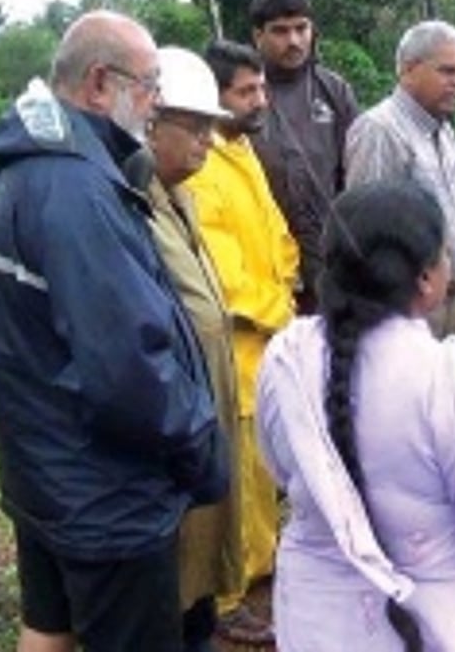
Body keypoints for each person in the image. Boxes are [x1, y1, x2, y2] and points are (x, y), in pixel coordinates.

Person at [0, 11, 228, 652]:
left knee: (49, 631)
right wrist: (202, 448)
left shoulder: (11, 170)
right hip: (107, 499)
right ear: (99, 84)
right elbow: (129, 368)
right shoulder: (77, 188)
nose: (154, 104)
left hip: (45, 475)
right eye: (149, 87)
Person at [256, 179, 455, 651]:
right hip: (445, 623)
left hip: (316, 618)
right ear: (428, 278)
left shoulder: (287, 357)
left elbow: (282, 466)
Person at [183, 40, 299, 646]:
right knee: (235, 482)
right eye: (245, 91)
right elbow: (220, 274)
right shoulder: (200, 163)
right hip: (237, 350)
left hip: (272, 340)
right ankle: (226, 595)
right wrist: (273, 307)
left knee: (263, 476)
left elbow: (276, 233)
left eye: (261, 89)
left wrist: (288, 283)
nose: (259, 99)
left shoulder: (242, 149)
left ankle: (257, 571)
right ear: (215, 97)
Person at [144, 46, 244, 652]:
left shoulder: (181, 197)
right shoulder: (130, 206)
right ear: (150, 122)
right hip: (174, 430)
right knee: (172, 587)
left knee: (202, 573)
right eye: (196, 127)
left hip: (206, 420)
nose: (208, 143)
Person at [345, 20, 455, 336]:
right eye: (447, 71)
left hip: (454, 302)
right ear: (407, 70)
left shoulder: (443, 129)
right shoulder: (381, 129)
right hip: (407, 309)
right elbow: (366, 232)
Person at [249, 0, 359, 314]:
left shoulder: (333, 90)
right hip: (265, 261)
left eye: (301, 28)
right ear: (258, 36)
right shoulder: (243, 93)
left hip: (332, 257)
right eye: (280, 31)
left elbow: (355, 176)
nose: (294, 41)